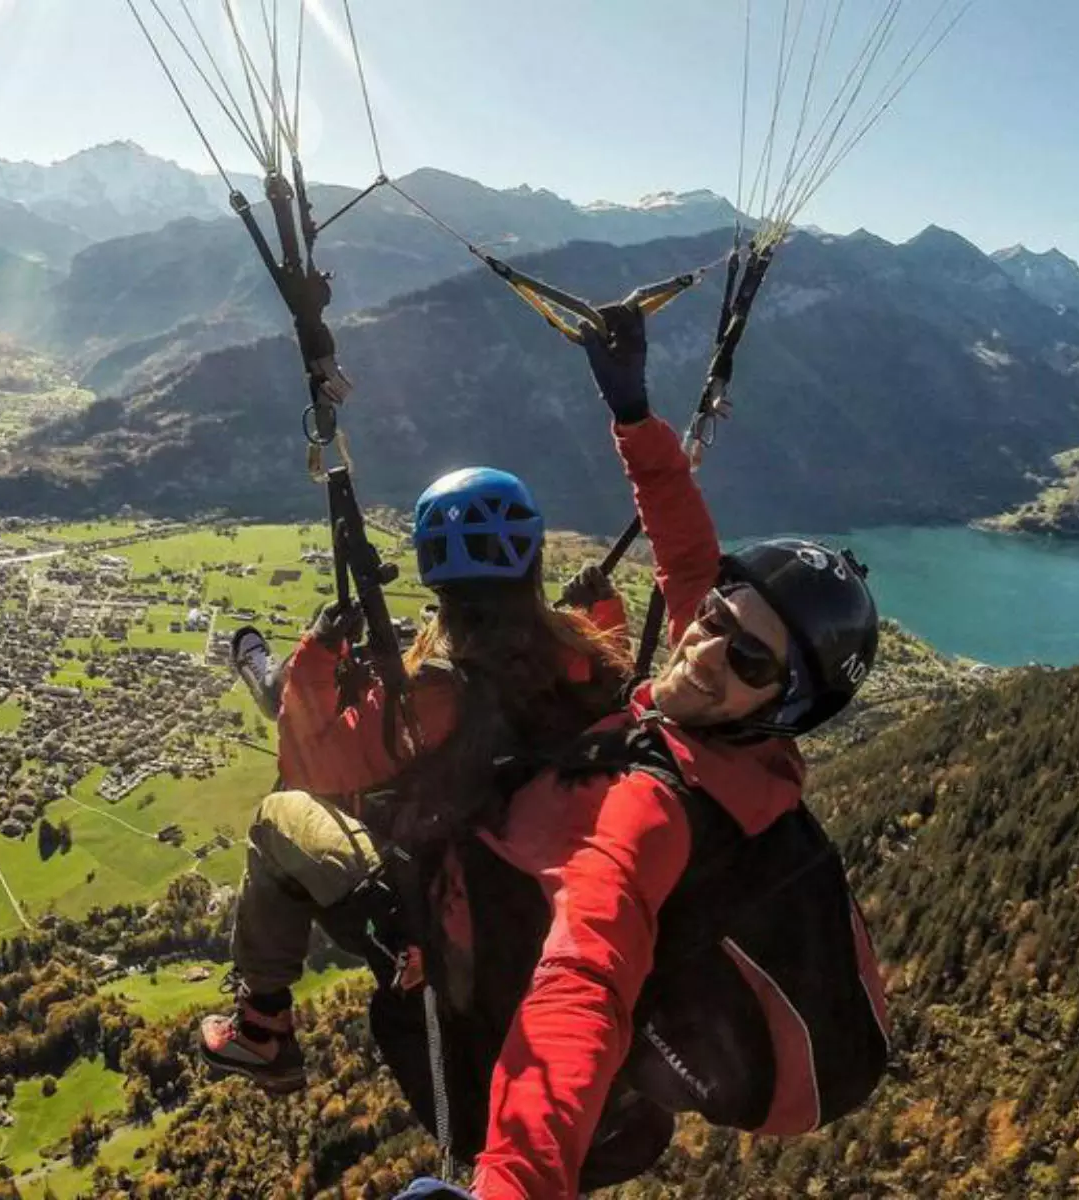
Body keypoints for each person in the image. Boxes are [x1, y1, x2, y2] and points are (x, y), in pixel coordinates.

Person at [374, 305, 890, 1199]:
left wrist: (514, 1187)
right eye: (720, 617)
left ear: (786, 704)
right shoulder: (734, 733)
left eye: (749, 656)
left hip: (536, 995)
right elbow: (688, 549)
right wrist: (634, 415)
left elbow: (583, 986)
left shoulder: (650, 807)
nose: (704, 644)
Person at [196, 468, 631, 1092]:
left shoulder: (437, 693)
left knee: (278, 816)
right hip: (532, 882)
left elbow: (308, 761)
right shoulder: (579, 655)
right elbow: (599, 681)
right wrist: (604, 611)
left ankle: (261, 1029)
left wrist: (319, 655)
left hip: (431, 902)